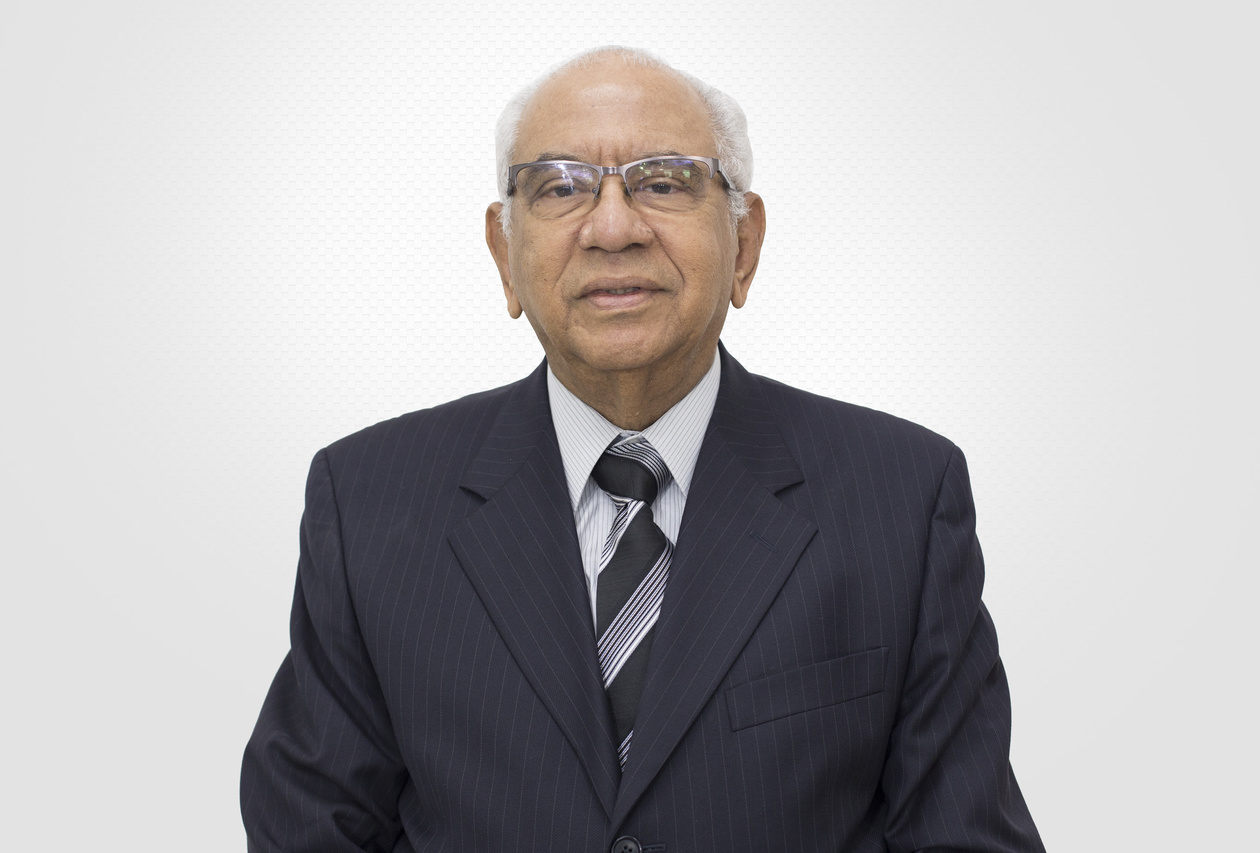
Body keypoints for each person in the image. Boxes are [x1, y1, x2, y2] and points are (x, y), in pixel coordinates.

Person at [241, 46, 1045, 853]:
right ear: (504, 254)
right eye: (560, 186)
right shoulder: (367, 501)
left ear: (744, 243)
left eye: (664, 182)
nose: (613, 227)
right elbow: (311, 831)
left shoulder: (901, 499)